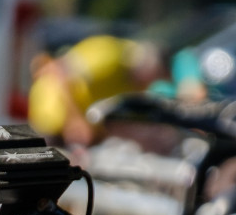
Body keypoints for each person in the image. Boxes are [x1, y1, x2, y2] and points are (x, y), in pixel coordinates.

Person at [28, 34, 165, 147]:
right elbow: (59, 72)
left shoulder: (136, 83)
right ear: (143, 67)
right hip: (51, 117)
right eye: (150, 79)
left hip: (79, 134)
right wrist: (74, 120)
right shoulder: (109, 58)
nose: (148, 85)